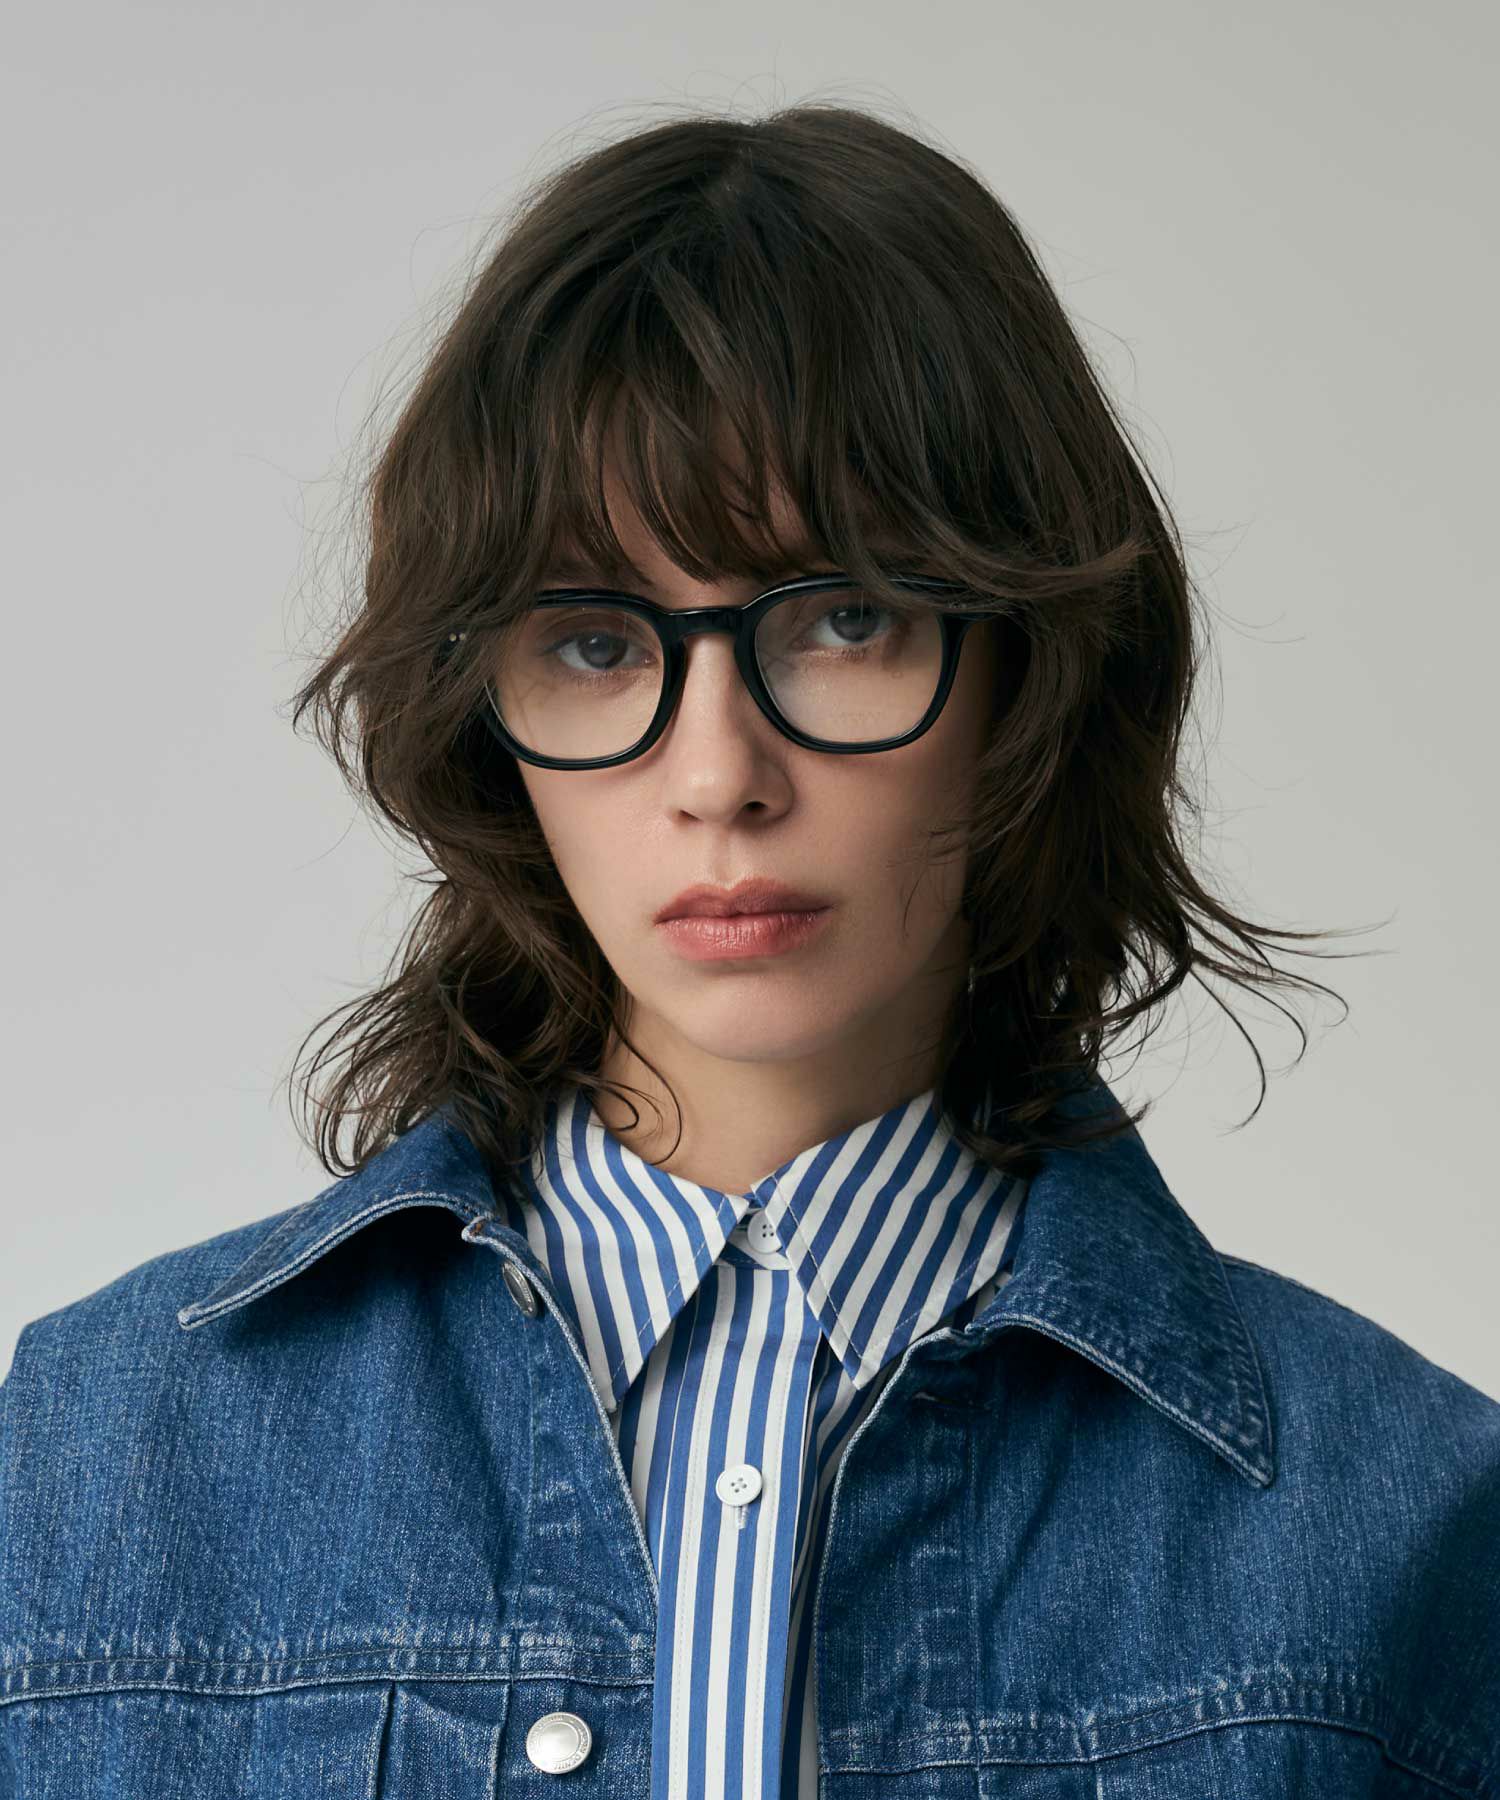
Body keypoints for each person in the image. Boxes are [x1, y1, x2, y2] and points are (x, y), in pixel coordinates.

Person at [2, 103, 1496, 1799]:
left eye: (846, 619)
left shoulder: (1407, 1527)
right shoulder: (94, 1455)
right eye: (593, 643)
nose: (718, 775)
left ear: (1029, 670)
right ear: (483, 717)